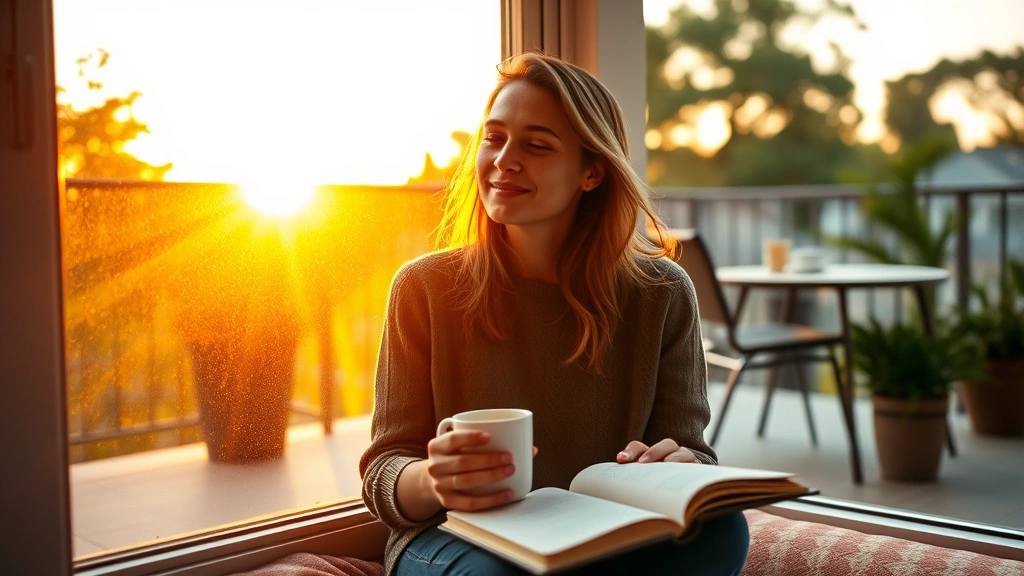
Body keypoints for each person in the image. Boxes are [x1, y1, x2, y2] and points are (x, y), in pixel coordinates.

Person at [359, 52, 750, 576]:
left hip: (606, 531)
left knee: (724, 530)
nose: (503, 160)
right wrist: (435, 479)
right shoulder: (423, 288)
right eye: (494, 138)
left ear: (591, 172)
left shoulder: (661, 292)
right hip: (460, 535)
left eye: (536, 145)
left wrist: (677, 467)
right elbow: (384, 469)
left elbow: (694, 455)